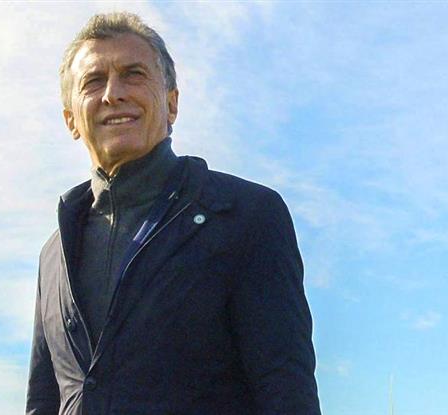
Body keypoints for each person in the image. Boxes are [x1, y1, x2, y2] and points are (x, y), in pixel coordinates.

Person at [27, 12, 320, 415]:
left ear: (172, 103)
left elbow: (285, 389)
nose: (113, 93)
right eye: (93, 81)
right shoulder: (54, 253)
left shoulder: (246, 216)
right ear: (70, 120)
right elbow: (43, 401)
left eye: (133, 74)